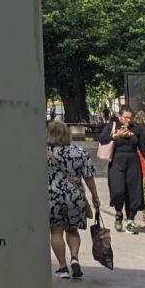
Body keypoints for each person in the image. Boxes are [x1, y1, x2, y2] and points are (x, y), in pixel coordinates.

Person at [47, 118, 101, 278]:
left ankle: (62, 267)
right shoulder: (79, 152)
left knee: (56, 231)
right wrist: (95, 196)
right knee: (72, 229)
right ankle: (75, 258)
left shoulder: (44, 153)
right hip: (75, 196)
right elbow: (89, 176)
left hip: (52, 196)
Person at [99, 106, 145, 232]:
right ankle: (118, 213)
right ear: (120, 116)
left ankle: (131, 220)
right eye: (126, 117)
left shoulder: (136, 130)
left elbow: (144, 148)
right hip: (116, 161)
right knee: (118, 190)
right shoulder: (112, 126)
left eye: (130, 118)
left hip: (133, 162)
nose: (128, 120)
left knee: (133, 191)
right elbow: (102, 139)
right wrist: (116, 135)